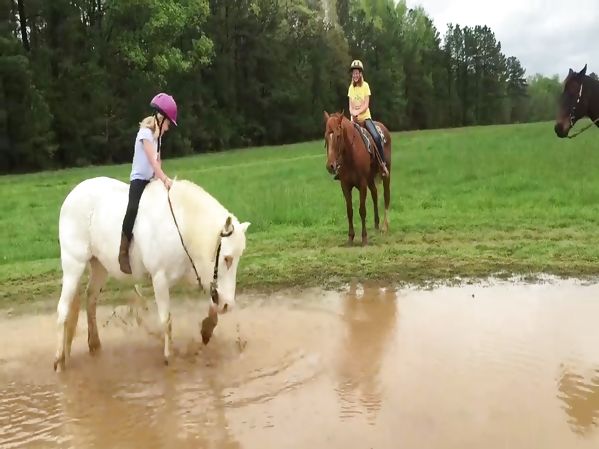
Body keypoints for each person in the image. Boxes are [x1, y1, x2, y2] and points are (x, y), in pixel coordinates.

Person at [118, 92, 178, 274]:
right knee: (132, 208)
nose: (168, 127)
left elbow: (158, 162)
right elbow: (152, 161)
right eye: (168, 123)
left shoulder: (158, 137)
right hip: (139, 179)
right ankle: (123, 251)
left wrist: (161, 180)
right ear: (161, 118)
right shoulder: (145, 134)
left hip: (152, 180)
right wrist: (165, 179)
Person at [347, 59, 389, 177]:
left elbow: (366, 105)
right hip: (353, 120)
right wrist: (353, 114)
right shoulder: (351, 88)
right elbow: (350, 105)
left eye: (357, 73)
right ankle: (342, 168)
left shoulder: (365, 86)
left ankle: (382, 164)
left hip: (365, 118)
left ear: (360, 74)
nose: (355, 75)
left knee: (376, 137)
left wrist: (357, 112)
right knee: (343, 140)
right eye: (353, 73)